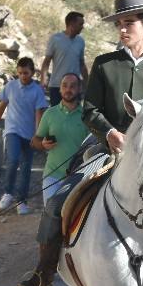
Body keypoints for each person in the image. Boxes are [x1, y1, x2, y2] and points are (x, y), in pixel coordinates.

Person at [16, 0, 143, 286]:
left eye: (128, 23)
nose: (121, 29)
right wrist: (111, 134)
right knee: (57, 203)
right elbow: (90, 111)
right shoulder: (105, 65)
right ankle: (44, 270)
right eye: (119, 24)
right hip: (108, 150)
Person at [0, 57, 49, 214]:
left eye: (26, 73)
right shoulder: (10, 87)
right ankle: (8, 192)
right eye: (20, 73)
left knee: (26, 167)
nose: (23, 76)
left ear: (33, 73)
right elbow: (1, 107)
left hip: (29, 134)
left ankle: (21, 201)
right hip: (12, 131)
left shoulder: (37, 90)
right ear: (17, 72)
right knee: (13, 159)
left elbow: (38, 113)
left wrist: (38, 135)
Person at [32, 73, 86, 202]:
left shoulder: (87, 116)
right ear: (60, 89)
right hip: (52, 177)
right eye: (65, 85)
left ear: (79, 89)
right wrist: (43, 144)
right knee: (50, 218)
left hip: (78, 177)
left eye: (73, 86)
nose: (68, 89)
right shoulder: (49, 114)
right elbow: (35, 141)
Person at [40, 12, 87, 107]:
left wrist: (86, 82)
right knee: (56, 116)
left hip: (74, 87)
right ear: (72, 24)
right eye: (80, 24)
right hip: (57, 86)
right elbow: (47, 61)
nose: (83, 27)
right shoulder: (55, 39)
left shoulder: (80, 41)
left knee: (73, 116)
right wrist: (43, 79)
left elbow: (82, 64)